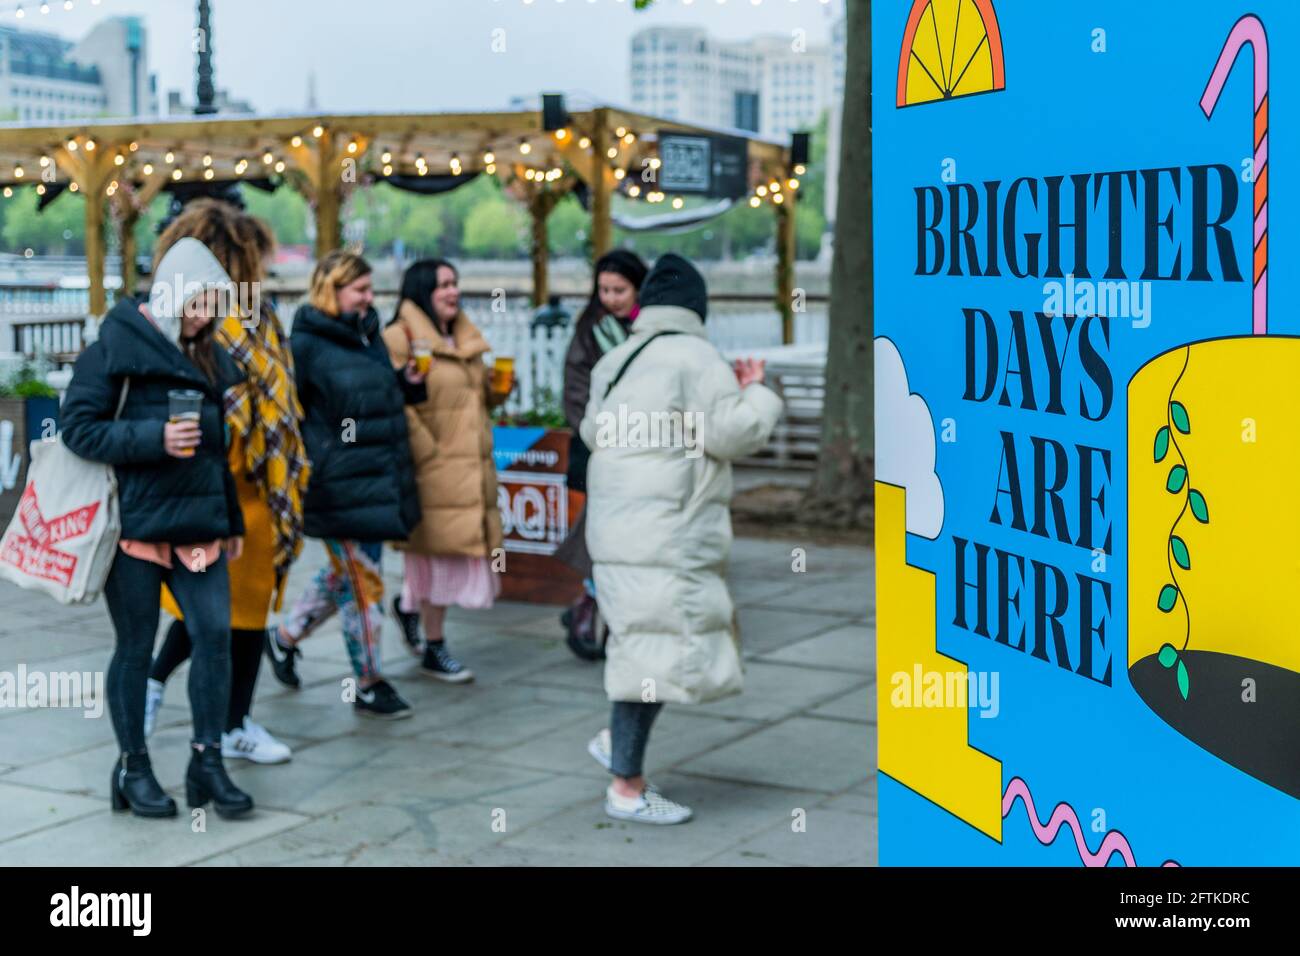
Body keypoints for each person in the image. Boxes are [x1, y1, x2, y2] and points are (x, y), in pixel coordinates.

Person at [579, 253, 783, 825]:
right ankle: (626, 787)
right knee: (652, 649)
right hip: (668, 531)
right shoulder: (696, 358)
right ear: (697, 307)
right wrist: (759, 392)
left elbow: (594, 431)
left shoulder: (616, 360)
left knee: (647, 640)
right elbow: (733, 433)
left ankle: (615, 747)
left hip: (620, 530)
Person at [62, 237, 253, 819]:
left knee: (214, 636)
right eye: (197, 303)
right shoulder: (115, 347)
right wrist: (154, 439)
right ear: (172, 296)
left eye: (214, 304)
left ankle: (208, 761)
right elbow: (78, 429)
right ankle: (133, 768)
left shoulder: (211, 356)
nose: (205, 315)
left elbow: (218, 451)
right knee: (137, 646)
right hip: (135, 528)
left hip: (198, 527)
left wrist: (232, 517)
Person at [142, 200, 310, 766]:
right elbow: (234, 403)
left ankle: (176, 695)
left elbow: (277, 395)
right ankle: (228, 722)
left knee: (232, 613)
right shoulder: (229, 319)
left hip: (250, 485)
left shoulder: (248, 315)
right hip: (236, 488)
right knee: (229, 614)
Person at [262, 251, 426, 719]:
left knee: (350, 576)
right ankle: (370, 680)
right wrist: (323, 457)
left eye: (371, 290)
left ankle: (283, 638)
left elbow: (373, 398)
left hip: (376, 474)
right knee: (364, 584)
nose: (370, 299)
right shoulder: (307, 345)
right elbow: (291, 414)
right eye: (361, 290)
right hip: (336, 482)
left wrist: (406, 383)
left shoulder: (367, 334)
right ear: (330, 290)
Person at [382, 258, 508, 681]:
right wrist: (429, 452)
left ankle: (411, 614)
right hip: (430, 469)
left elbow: (468, 403)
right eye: (443, 286)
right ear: (421, 292)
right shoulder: (398, 339)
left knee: (445, 557)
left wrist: (495, 392)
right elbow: (397, 403)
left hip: (468, 468)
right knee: (439, 560)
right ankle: (434, 647)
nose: (453, 292)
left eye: (455, 283)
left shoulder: (463, 337)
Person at [556, 251, 647, 660]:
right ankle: (591, 604)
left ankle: (602, 610)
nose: (610, 298)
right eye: (604, 289)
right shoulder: (590, 330)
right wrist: (601, 432)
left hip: (644, 446)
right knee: (601, 529)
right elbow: (575, 390)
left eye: (619, 290)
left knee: (627, 533)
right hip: (601, 446)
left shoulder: (651, 330)